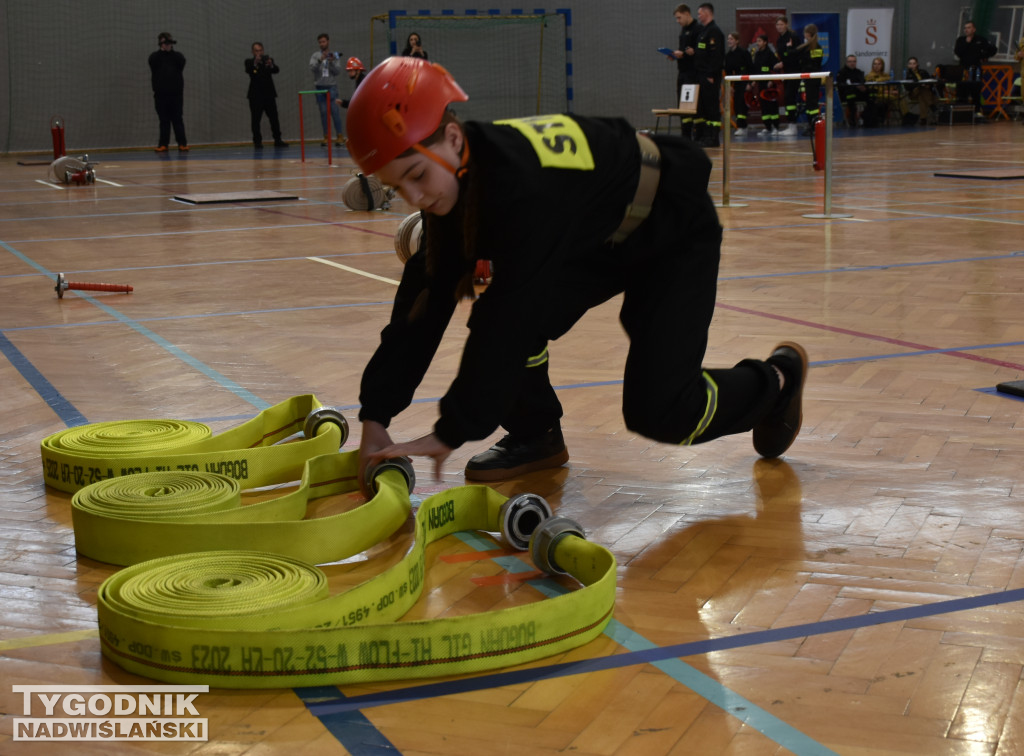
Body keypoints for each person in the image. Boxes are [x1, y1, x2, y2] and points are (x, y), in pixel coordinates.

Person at [345, 56, 809, 495]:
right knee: (509, 326)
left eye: (416, 176)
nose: (414, 198)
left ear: (452, 138)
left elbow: (510, 317)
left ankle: (777, 381)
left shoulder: (520, 185)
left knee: (662, 411)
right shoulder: (458, 179)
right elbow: (422, 304)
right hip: (596, 234)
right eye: (397, 187)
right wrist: (376, 415)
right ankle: (537, 434)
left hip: (670, 225)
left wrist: (452, 430)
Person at [148, 32, 188, 152]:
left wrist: (170, 50)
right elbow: (153, 63)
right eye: (166, 43)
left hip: (176, 95)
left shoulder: (177, 57)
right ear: (161, 43)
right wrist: (163, 50)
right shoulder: (155, 57)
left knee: (177, 119)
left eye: (170, 43)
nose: (168, 45)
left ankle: (182, 143)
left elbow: (181, 62)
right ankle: (163, 144)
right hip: (161, 95)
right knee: (164, 120)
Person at [693, 3, 724, 147]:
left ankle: (713, 137)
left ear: (707, 13)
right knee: (704, 106)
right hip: (701, 74)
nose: (698, 16)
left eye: (700, 13)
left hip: (710, 76)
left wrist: (711, 74)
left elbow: (716, 56)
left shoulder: (714, 32)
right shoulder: (703, 32)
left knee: (712, 107)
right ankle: (706, 136)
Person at [245, 42, 287, 148]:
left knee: (274, 118)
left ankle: (278, 140)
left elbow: (276, 70)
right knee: (256, 119)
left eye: (260, 50)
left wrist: (270, 64)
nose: (259, 53)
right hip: (255, 96)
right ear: (253, 52)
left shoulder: (268, 61)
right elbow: (249, 70)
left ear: (263, 51)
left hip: (269, 94)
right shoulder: (249, 62)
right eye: (256, 51)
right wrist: (256, 62)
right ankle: (257, 142)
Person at [670, 4, 702, 140]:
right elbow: (683, 49)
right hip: (682, 72)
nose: (678, 21)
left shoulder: (698, 29)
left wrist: (686, 54)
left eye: (679, 17)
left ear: (687, 14)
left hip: (692, 73)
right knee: (682, 106)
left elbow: (699, 52)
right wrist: (674, 55)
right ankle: (685, 135)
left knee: (693, 105)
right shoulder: (683, 30)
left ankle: (698, 135)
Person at [954, 20, 997, 117]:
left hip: (976, 68)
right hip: (963, 68)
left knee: (976, 90)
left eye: (969, 27)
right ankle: (961, 113)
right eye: (965, 28)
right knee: (961, 90)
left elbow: (992, 49)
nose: (966, 30)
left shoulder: (980, 40)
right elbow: (957, 52)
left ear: (974, 29)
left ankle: (977, 112)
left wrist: (984, 56)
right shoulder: (961, 40)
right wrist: (967, 43)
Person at [309, 33, 345, 146]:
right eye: (320, 42)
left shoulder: (334, 56)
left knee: (335, 112)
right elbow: (312, 68)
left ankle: (339, 136)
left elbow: (338, 71)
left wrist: (331, 62)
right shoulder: (315, 55)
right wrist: (320, 60)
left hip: (331, 87)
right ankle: (326, 137)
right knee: (323, 113)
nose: (322, 44)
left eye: (324, 41)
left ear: (328, 42)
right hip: (320, 87)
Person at [773, 16, 801, 134]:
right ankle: (790, 125)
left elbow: (796, 54)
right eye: (777, 25)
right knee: (787, 97)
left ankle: (793, 125)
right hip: (786, 72)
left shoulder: (793, 37)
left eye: (781, 24)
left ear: (786, 24)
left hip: (794, 71)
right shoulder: (779, 39)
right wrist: (779, 64)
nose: (779, 27)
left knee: (790, 96)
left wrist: (783, 62)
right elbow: (782, 54)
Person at [795, 24, 824, 136]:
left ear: (808, 34)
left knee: (812, 104)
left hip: (813, 78)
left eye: (805, 32)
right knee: (809, 104)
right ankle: (811, 125)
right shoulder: (807, 47)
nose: (804, 34)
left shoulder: (816, 47)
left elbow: (814, 63)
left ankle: (814, 126)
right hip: (809, 79)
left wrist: (803, 63)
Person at [724, 32, 752, 136]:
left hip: (744, 80)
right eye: (728, 39)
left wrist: (750, 82)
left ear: (737, 41)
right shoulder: (728, 55)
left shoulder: (744, 53)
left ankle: (743, 126)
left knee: (742, 104)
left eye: (731, 39)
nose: (729, 41)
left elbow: (750, 67)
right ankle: (741, 126)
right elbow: (728, 72)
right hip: (736, 82)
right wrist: (730, 86)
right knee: (736, 105)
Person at [752, 34, 780, 135]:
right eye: (757, 41)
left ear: (765, 42)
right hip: (761, 84)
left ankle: (776, 127)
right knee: (764, 106)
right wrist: (754, 80)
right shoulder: (757, 54)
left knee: (772, 105)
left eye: (759, 41)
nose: (757, 43)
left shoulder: (770, 54)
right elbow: (756, 69)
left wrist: (772, 80)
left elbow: (776, 68)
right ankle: (767, 127)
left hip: (769, 84)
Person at [865, 57, 905, 124]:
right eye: (875, 64)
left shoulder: (886, 76)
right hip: (878, 95)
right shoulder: (869, 76)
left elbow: (892, 87)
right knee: (893, 98)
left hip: (889, 93)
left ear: (882, 65)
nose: (876, 66)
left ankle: (906, 116)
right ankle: (905, 116)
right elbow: (873, 89)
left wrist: (893, 91)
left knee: (901, 97)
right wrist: (888, 92)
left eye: (879, 64)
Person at [836, 55, 869, 127]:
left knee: (870, 96)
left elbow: (862, 82)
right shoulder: (841, 73)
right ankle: (852, 120)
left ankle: (868, 119)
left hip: (859, 93)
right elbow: (841, 86)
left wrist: (863, 88)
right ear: (847, 62)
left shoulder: (859, 72)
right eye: (850, 61)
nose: (852, 63)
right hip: (846, 95)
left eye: (854, 61)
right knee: (851, 97)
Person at [903, 56, 936, 125]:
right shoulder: (908, 75)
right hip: (913, 93)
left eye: (914, 63)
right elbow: (907, 87)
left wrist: (927, 85)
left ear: (917, 64)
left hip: (924, 92)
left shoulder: (923, 72)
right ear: (908, 65)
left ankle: (923, 119)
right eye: (910, 64)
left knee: (922, 97)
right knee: (921, 88)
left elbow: (930, 81)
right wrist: (919, 85)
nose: (912, 65)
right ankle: (932, 106)